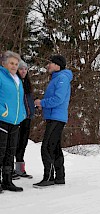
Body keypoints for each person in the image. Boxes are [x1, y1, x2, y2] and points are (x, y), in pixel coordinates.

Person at [33, 54, 73, 187]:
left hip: (57, 117)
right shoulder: (57, 78)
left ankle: (48, 177)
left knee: (46, 147)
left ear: (57, 65)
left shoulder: (61, 78)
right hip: (53, 116)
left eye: (50, 63)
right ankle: (60, 177)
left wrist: (42, 102)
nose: (48, 65)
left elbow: (58, 99)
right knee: (54, 146)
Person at [0, 51, 26, 192]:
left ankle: (7, 180)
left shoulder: (17, 79)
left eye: (16, 64)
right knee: (1, 152)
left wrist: (22, 113)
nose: (14, 66)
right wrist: (2, 111)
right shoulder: (1, 76)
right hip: (2, 119)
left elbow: (19, 100)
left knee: (11, 152)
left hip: (15, 122)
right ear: (4, 63)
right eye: (11, 63)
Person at [13, 60, 35, 179]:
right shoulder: (14, 82)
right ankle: (9, 170)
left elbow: (29, 101)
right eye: (21, 69)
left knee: (23, 144)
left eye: (25, 69)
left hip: (27, 118)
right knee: (13, 144)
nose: (23, 71)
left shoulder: (27, 84)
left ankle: (20, 170)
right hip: (17, 118)